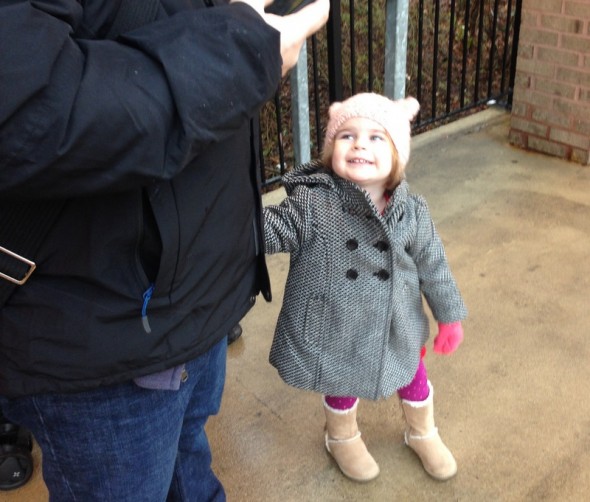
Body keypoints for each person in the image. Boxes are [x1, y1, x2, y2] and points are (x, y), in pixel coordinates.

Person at [0, 0, 329, 500]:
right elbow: (27, 111)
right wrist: (237, 53)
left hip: (201, 291)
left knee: (189, 464)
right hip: (102, 334)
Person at [263, 93, 468, 483]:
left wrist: (449, 316)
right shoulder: (312, 204)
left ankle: (422, 431)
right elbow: (274, 228)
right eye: (347, 136)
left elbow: (434, 266)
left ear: (397, 156)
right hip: (339, 324)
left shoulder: (411, 211)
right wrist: (232, 222)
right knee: (341, 380)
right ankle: (341, 437)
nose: (359, 144)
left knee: (412, 375)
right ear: (331, 152)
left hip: (397, 322)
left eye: (376, 137)